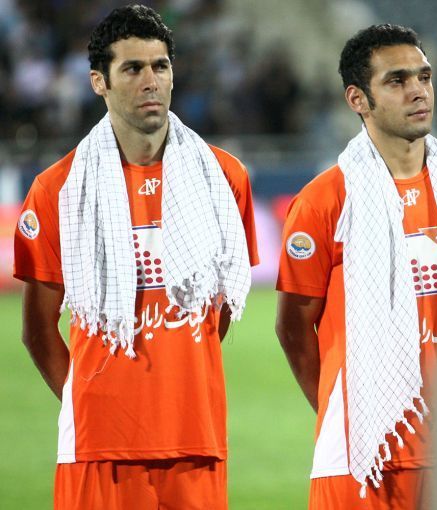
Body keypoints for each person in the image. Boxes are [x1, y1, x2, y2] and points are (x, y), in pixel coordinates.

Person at [14, 5, 258, 509]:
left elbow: (218, 311)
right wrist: (88, 402)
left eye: (160, 66)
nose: (151, 81)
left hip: (196, 440)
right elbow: (37, 328)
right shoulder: (58, 189)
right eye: (132, 68)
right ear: (98, 82)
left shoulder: (223, 178)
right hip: (97, 449)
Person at [275, 23, 437, 509]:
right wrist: (347, 413)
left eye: (424, 76)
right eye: (397, 80)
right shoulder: (324, 201)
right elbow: (293, 327)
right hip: (362, 456)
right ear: (358, 99)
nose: (418, 91)